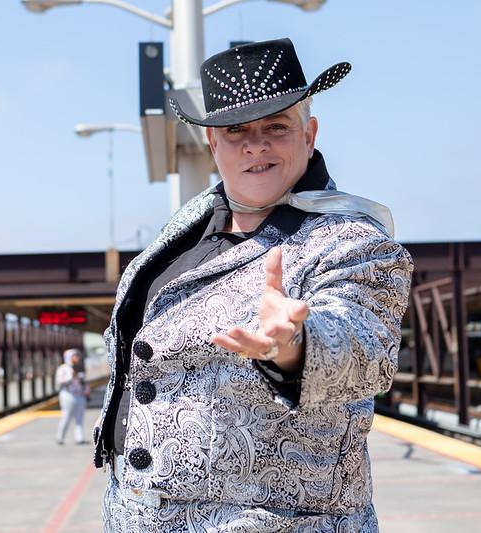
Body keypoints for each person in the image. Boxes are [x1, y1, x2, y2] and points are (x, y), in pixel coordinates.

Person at [93, 38, 413, 532]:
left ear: (309, 135)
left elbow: (363, 343)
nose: (256, 145)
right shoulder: (182, 236)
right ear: (212, 144)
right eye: (236, 130)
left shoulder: (350, 239)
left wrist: (294, 345)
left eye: (276, 127)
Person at [55, 348, 89, 445]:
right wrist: (71, 376)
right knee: (66, 416)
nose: (77, 358)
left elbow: (84, 382)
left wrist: (86, 391)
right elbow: (60, 381)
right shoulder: (63, 368)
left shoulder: (80, 368)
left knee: (80, 418)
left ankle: (79, 438)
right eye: (75, 356)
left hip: (79, 395)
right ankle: (60, 437)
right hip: (67, 395)